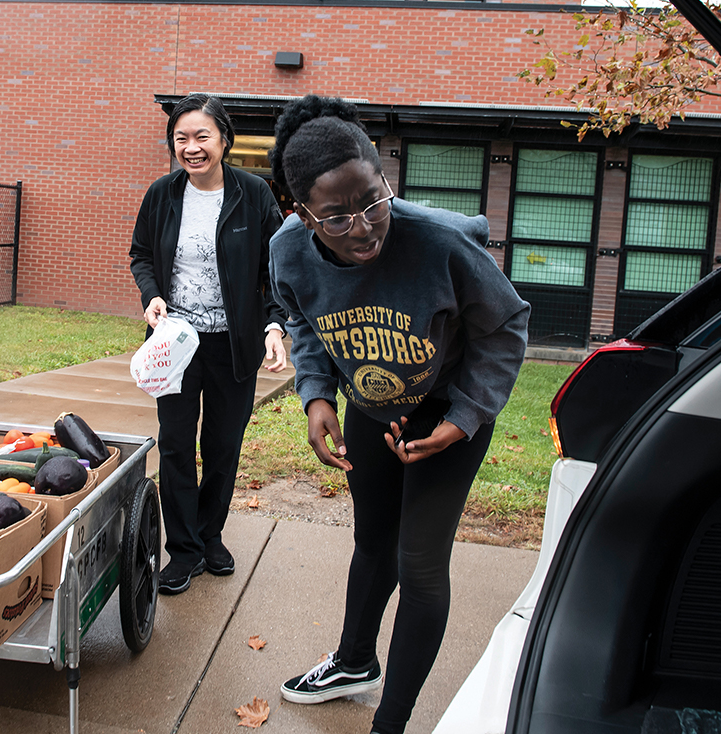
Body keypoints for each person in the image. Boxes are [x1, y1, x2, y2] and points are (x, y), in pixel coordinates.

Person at [267, 96, 530, 734]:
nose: (363, 227)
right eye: (337, 217)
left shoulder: (439, 241)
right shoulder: (288, 252)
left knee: (419, 563)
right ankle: (355, 662)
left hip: (447, 416)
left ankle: (391, 722)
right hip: (371, 406)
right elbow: (300, 317)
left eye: (374, 200)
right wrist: (317, 392)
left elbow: (506, 326)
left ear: (384, 180)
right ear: (302, 215)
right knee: (372, 541)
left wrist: (465, 417)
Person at [129, 93, 288, 595]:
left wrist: (273, 325)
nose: (191, 147)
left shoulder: (254, 194)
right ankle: (184, 549)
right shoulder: (162, 193)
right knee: (176, 445)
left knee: (223, 445)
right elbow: (141, 255)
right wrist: (151, 296)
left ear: (223, 139)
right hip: (175, 341)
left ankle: (211, 535)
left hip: (232, 344)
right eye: (181, 138)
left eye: (202, 136)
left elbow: (276, 268)